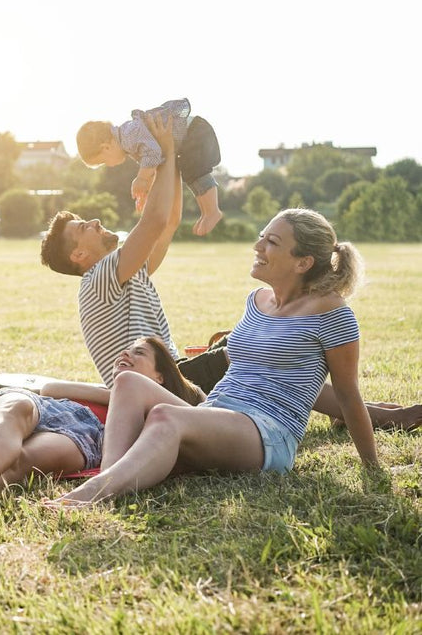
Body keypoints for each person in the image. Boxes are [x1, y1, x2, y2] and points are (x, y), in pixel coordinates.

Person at [42, 113, 422, 431]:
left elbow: (169, 220)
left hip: (170, 377)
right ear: (79, 254)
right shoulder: (102, 276)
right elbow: (155, 217)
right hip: (153, 391)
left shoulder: (124, 272)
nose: (92, 221)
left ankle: (360, 410)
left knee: (245, 349)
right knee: (248, 353)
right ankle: (376, 416)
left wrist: (166, 159)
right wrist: (166, 150)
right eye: (82, 228)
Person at [46, 209, 379, 508]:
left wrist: (373, 470)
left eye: (272, 242)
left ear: (302, 262)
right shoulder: (257, 301)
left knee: (166, 416)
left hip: (268, 434)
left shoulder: (333, 314)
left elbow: (348, 395)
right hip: (218, 411)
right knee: (129, 381)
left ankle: (95, 493)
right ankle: (109, 477)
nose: (257, 247)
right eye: (261, 237)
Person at [0, 337, 205, 515]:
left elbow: (193, 417)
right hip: (43, 408)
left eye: (139, 353)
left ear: (160, 378)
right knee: (16, 406)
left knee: (24, 461)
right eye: (126, 349)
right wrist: (113, 392)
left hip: (85, 436)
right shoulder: (109, 390)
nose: (126, 354)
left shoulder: (156, 407)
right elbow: (49, 390)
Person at [76, 98, 223, 236]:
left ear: (106, 148)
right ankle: (207, 213)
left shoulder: (129, 136)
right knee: (191, 172)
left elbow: (154, 154)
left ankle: (212, 211)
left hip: (194, 131)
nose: (108, 165)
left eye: (103, 162)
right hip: (191, 134)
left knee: (195, 170)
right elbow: (154, 165)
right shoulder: (129, 144)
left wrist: (141, 179)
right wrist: (146, 189)